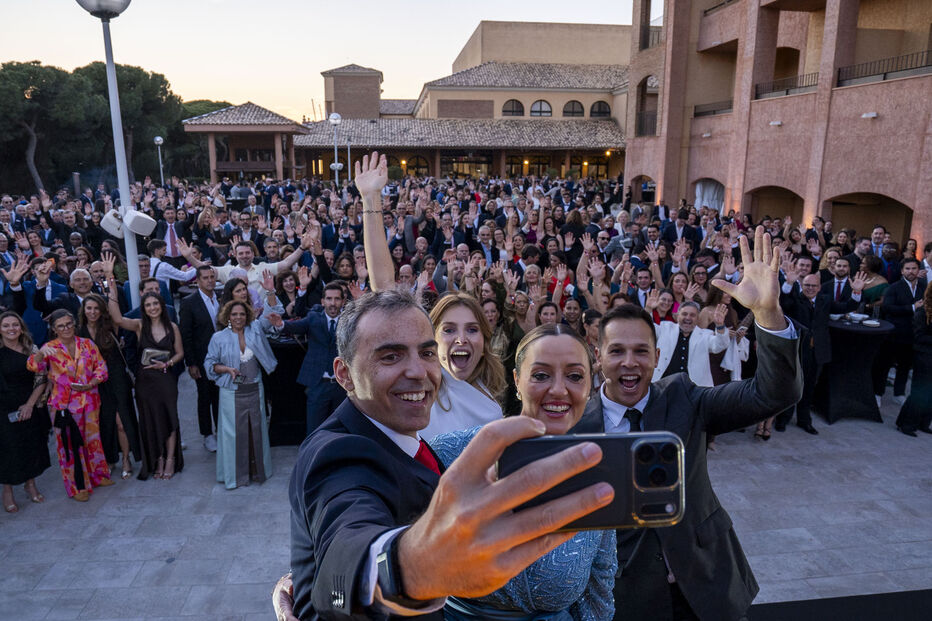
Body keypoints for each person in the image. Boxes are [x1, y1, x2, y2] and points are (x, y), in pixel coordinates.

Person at [284, 287, 613, 621]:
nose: (417, 372)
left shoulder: (415, 445)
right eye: (390, 356)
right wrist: (409, 569)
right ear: (344, 374)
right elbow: (348, 536)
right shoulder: (339, 453)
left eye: (427, 354)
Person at [570, 226, 802, 621]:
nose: (630, 362)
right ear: (598, 355)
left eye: (641, 351)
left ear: (657, 355)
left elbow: (773, 394)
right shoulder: (576, 428)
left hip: (706, 582)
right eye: (617, 351)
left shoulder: (685, 398)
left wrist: (767, 314)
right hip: (628, 597)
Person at [430, 324, 616, 619]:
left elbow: (600, 590)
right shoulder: (452, 454)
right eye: (541, 375)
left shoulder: (596, 468)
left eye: (575, 376)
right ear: (517, 381)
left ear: (590, 385)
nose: (558, 389)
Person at [27, 309, 113, 501]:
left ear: (74, 324)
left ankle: (98, 475)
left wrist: (92, 383)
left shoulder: (87, 344)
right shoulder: (49, 347)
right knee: (69, 446)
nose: (66, 328)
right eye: (61, 326)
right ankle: (77, 486)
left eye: (69, 324)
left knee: (92, 439)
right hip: (63, 406)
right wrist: (40, 354)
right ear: (54, 329)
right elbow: (33, 366)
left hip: (89, 399)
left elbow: (102, 367)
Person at [106, 285, 185, 480]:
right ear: (144, 308)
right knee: (150, 420)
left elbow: (180, 353)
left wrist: (168, 363)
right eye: (148, 305)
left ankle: (170, 460)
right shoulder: (140, 325)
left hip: (166, 378)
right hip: (145, 382)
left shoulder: (172, 327)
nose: (152, 308)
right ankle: (157, 459)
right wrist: (111, 287)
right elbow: (116, 319)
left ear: (162, 305)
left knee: (170, 418)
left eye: (155, 303)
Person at [204, 300, 278, 489]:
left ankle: (258, 472)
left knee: (258, 429)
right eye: (234, 314)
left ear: (248, 316)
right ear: (227, 316)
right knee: (232, 435)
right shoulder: (218, 338)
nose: (238, 317)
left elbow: (272, 314)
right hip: (231, 391)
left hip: (255, 388)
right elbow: (209, 364)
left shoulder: (255, 331)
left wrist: (270, 292)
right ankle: (235, 476)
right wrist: (227, 369)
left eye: (242, 314)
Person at [268, 282, 348, 435]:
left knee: (341, 431)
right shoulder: (313, 318)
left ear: (343, 301)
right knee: (314, 431)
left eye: (337, 299)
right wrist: (280, 325)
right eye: (329, 299)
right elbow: (295, 326)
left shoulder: (350, 321)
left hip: (342, 387)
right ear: (322, 301)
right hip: (318, 384)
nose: (333, 303)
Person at [78, 294, 141, 478]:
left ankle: (126, 459)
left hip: (116, 379)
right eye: (89, 308)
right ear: (84, 310)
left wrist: (109, 280)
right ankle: (110, 458)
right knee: (104, 423)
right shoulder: (78, 330)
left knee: (122, 422)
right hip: (94, 383)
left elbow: (116, 310)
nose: (92, 312)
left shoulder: (110, 326)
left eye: (96, 308)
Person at [0, 311, 50, 513]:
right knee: (7, 448)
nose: (11, 329)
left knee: (30, 445)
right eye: (6, 326)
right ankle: (8, 490)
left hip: (29, 402)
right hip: (2, 407)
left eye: (15, 325)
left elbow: (41, 378)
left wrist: (30, 404)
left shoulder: (32, 349)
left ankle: (30, 484)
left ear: (21, 327)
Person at [179, 265, 221, 453]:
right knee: (205, 397)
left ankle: (222, 431)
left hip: (222, 357)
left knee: (221, 396)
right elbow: (185, 335)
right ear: (198, 280)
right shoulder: (189, 302)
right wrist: (192, 363)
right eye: (205, 277)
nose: (210, 280)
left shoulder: (220, 298)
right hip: (202, 358)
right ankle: (207, 435)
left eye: (212, 277)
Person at [895, 284, 932, 435]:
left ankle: (923, 422)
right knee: (920, 391)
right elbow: (919, 337)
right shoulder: (922, 312)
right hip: (924, 356)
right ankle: (906, 423)